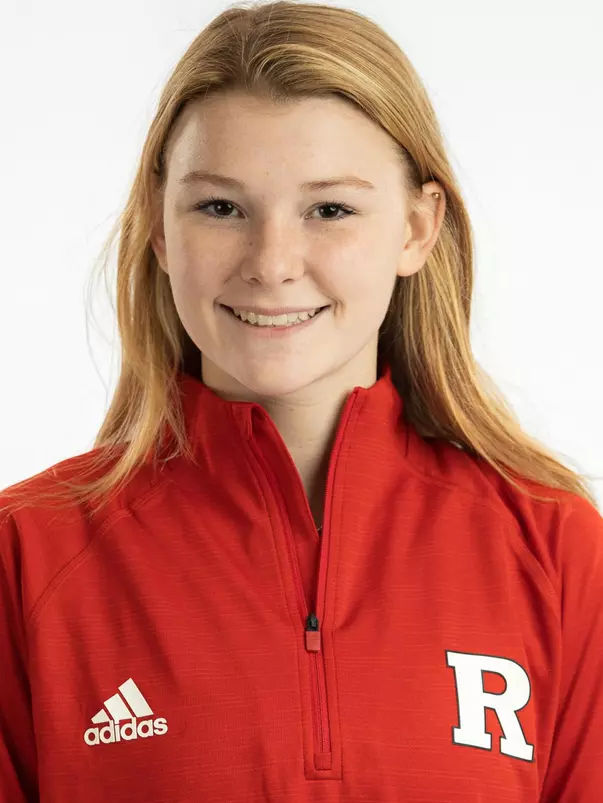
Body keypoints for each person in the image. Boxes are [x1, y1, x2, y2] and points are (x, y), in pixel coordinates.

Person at [1, 2, 602, 801]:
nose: (272, 262)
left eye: (330, 210)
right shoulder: (27, 558)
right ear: (157, 225)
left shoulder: (557, 552)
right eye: (220, 207)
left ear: (417, 229)